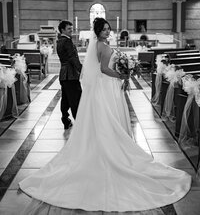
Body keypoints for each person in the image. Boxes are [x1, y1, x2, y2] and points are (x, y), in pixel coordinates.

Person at [19, 17, 191, 213]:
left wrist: (122, 71)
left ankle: (108, 142)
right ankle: (107, 147)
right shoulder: (100, 45)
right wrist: (122, 75)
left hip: (106, 86)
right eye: (105, 29)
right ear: (98, 31)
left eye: (109, 29)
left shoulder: (102, 44)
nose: (108, 32)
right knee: (106, 117)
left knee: (107, 117)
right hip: (105, 85)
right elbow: (103, 68)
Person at [56, 20, 82, 129]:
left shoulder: (59, 41)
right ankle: (80, 124)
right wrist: (82, 70)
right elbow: (72, 58)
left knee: (66, 99)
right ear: (62, 30)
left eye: (72, 28)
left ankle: (65, 119)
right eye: (69, 29)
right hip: (70, 74)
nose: (72, 30)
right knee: (76, 99)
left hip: (64, 74)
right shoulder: (67, 41)